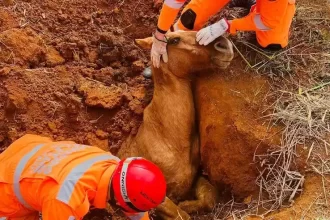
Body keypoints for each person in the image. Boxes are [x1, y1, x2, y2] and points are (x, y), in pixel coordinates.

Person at [0, 134, 166, 220]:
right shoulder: (66, 199)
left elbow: (133, 201)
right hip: (6, 191)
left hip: (26, 154)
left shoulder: (112, 165)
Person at [150, 0, 296, 68]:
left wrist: (227, 25)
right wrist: (160, 34)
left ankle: (254, 4)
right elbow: (174, 1)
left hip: (272, 4)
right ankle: (166, 55)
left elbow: (267, 22)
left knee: (272, 42)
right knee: (190, 17)